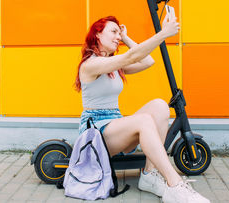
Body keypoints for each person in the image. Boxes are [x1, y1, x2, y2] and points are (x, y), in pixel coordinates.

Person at [74, 14, 210, 203]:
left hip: (115, 126)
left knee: (160, 106)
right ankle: (175, 185)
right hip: (96, 134)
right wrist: (163, 34)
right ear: (97, 34)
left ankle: (149, 175)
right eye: (113, 32)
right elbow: (132, 56)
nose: (118, 37)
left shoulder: (113, 66)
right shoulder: (91, 64)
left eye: (119, 33)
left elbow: (147, 61)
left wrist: (127, 37)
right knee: (144, 120)